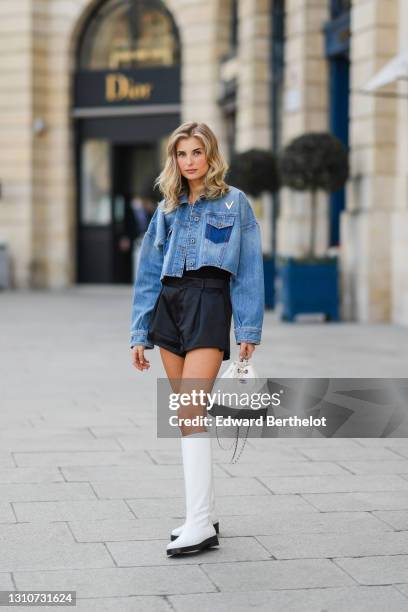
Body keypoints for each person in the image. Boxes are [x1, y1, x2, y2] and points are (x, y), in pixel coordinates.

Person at [129, 121, 264, 557]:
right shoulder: (166, 208)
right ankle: (198, 515)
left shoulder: (234, 202)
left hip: (209, 303)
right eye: (181, 154)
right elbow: (149, 272)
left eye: (196, 152)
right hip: (169, 307)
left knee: (191, 406)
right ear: (174, 159)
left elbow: (248, 271)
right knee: (185, 415)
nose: (189, 161)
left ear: (211, 155)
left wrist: (248, 329)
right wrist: (139, 332)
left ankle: (200, 523)